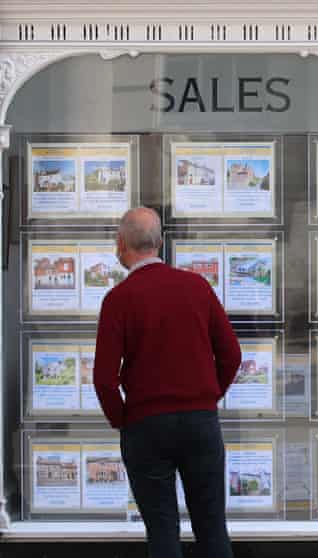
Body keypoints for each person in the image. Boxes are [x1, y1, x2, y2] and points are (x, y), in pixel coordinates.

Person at [94, 207, 241, 558]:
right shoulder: (196, 287)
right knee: (211, 527)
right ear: (160, 243)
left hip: (146, 427)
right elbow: (232, 355)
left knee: (161, 531)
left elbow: (104, 380)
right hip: (200, 423)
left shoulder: (118, 299)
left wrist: (123, 420)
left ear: (121, 243)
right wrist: (207, 397)